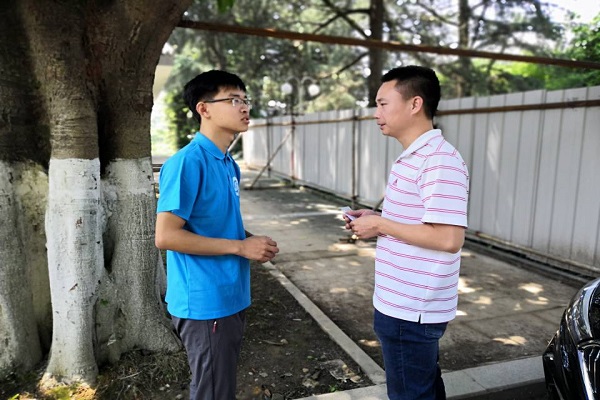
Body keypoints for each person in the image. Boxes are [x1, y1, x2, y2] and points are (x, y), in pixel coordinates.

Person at [344, 65, 469, 400]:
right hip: (402, 303)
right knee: (423, 389)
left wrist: (380, 224)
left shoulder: (439, 160)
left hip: (411, 308)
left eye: (383, 104)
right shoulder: (416, 156)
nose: (376, 114)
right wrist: (377, 217)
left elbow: (448, 238)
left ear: (415, 104)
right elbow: (419, 224)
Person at [155, 70, 279, 400]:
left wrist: (252, 242)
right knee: (213, 391)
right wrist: (240, 247)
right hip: (205, 302)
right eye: (233, 100)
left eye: (245, 100)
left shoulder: (227, 163)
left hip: (230, 295)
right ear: (204, 109)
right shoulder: (187, 163)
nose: (245, 107)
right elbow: (166, 236)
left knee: (219, 386)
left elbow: (217, 222)